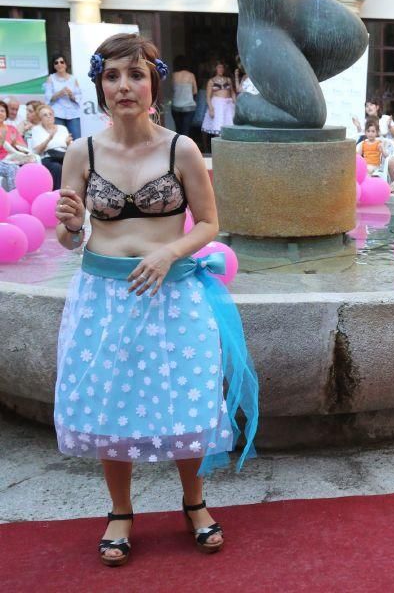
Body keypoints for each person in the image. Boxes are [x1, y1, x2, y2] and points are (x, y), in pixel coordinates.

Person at [53, 33, 258, 567]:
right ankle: (120, 510)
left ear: (153, 84)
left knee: (187, 402)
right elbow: (71, 239)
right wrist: (71, 228)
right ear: (100, 85)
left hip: (174, 296)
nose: (125, 86)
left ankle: (194, 502)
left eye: (136, 75)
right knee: (108, 404)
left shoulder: (180, 148)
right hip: (102, 295)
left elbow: (211, 222)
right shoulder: (82, 151)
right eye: (113, 76)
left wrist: (169, 253)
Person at [28, 104, 71, 189]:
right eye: (45, 115)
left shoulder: (62, 128)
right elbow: (37, 151)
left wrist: (68, 143)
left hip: (63, 156)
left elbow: (70, 147)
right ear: (40, 119)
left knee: (75, 165)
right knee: (57, 167)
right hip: (48, 158)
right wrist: (49, 138)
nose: (48, 117)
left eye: (50, 114)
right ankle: (58, 193)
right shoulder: (36, 130)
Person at [43, 53, 83, 140]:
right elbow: (47, 98)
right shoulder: (51, 78)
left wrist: (71, 95)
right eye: (56, 63)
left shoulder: (73, 79)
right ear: (53, 66)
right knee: (60, 140)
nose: (59, 64)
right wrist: (59, 93)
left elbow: (79, 97)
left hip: (73, 114)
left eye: (61, 62)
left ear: (65, 64)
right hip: (57, 114)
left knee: (76, 140)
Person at [0, 100, 32, 190]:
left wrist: (15, 143)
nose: (0, 113)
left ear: (6, 113)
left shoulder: (12, 128)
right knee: (12, 168)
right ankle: (14, 196)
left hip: (15, 158)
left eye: (2, 111)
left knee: (32, 162)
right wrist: (2, 140)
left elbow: (25, 148)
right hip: (2, 161)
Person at [201, 62, 236, 137]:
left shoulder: (228, 80)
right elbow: (208, 96)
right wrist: (211, 108)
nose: (221, 69)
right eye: (219, 67)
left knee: (230, 124)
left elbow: (232, 92)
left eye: (222, 67)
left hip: (228, 104)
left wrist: (235, 104)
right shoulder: (211, 81)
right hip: (217, 105)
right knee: (217, 126)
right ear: (215, 69)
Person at [170, 56, 198, 137]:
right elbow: (195, 91)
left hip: (176, 106)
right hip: (189, 106)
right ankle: (186, 148)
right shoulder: (191, 75)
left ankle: (177, 148)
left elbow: (172, 89)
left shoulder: (174, 75)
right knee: (186, 132)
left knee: (178, 131)